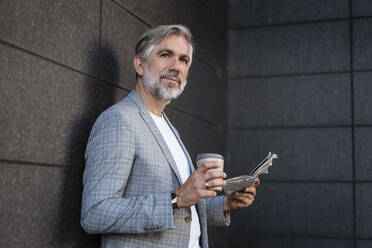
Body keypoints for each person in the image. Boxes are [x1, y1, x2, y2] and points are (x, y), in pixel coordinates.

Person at [81, 24, 260, 248]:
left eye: (184, 60)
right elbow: (95, 213)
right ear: (139, 64)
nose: (176, 67)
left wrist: (225, 203)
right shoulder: (119, 121)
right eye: (166, 55)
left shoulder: (167, 126)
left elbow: (184, 212)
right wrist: (176, 198)